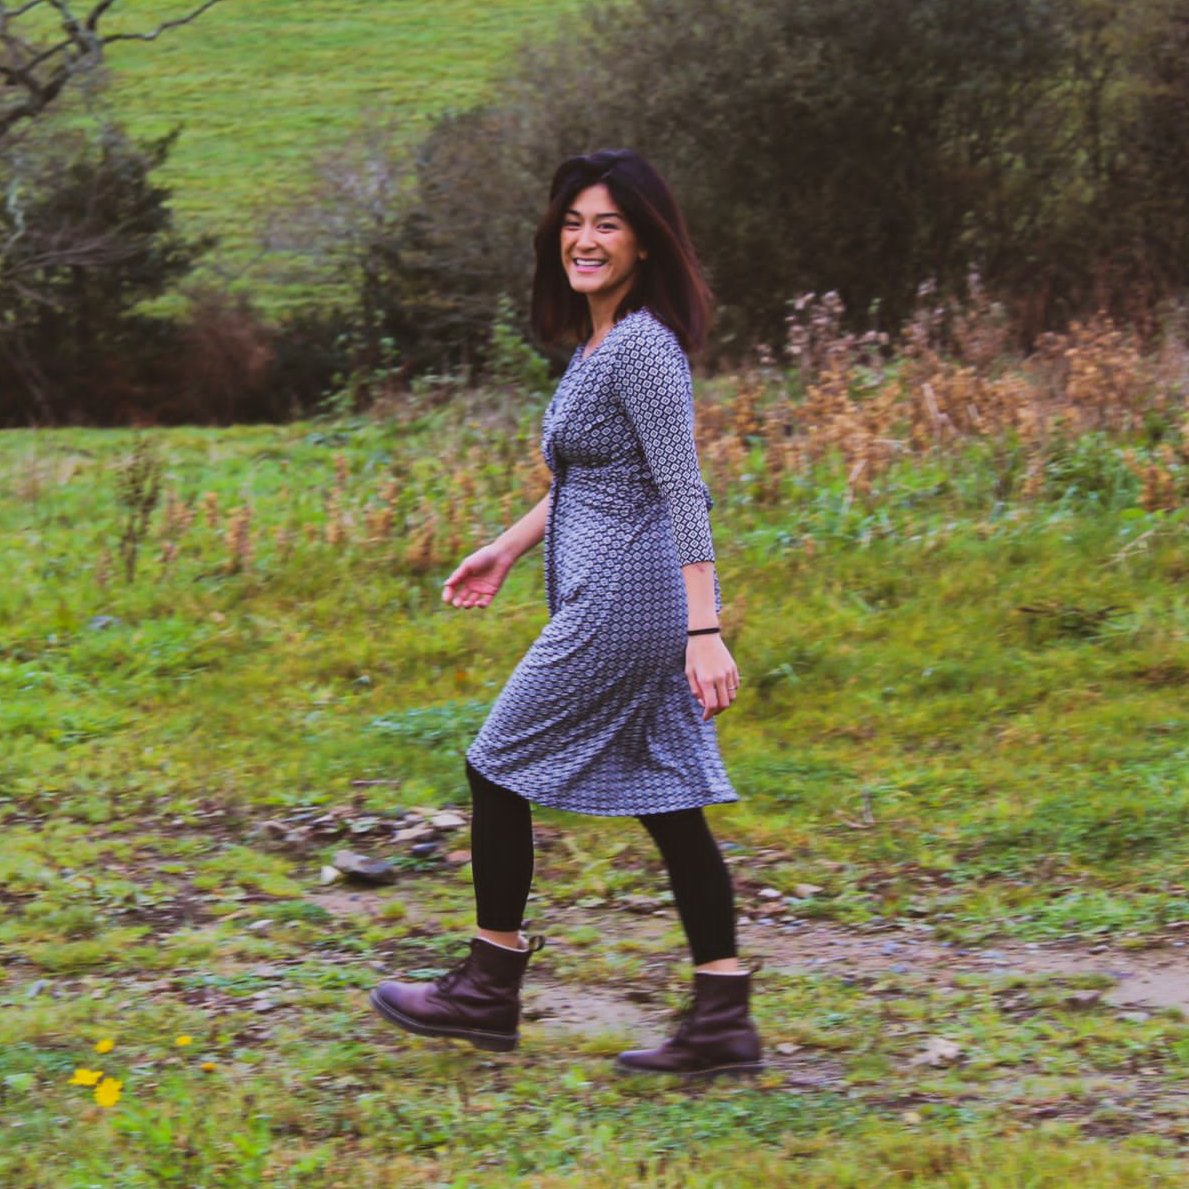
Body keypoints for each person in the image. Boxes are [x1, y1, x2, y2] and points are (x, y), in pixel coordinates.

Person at [370, 148, 762, 1078]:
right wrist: (508, 545)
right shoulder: (604, 340)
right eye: (575, 222)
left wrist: (705, 630)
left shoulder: (640, 347)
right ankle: (722, 1017)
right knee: (671, 804)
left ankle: (485, 987)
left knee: (495, 763)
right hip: (614, 589)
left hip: (625, 601)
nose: (585, 239)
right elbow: (592, 477)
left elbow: (683, 489)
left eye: (609, 224)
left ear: (645, 243)